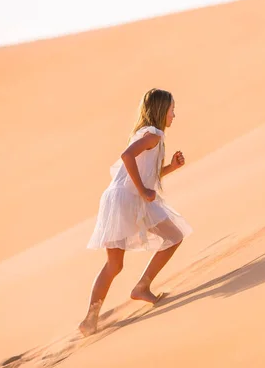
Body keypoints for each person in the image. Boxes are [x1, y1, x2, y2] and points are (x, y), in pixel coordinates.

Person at [79, 88, 193, 336]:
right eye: (172, 110)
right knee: (174, 237)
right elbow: (127, 156)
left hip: (119, 198)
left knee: (114, 264)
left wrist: (171, 167)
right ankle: (141, 287)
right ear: (162, 111)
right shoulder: (153, 135)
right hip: (127, 199)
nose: (174, 115)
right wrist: (142, 191)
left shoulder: (147, 135)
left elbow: (147, 175)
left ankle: (90, 319)